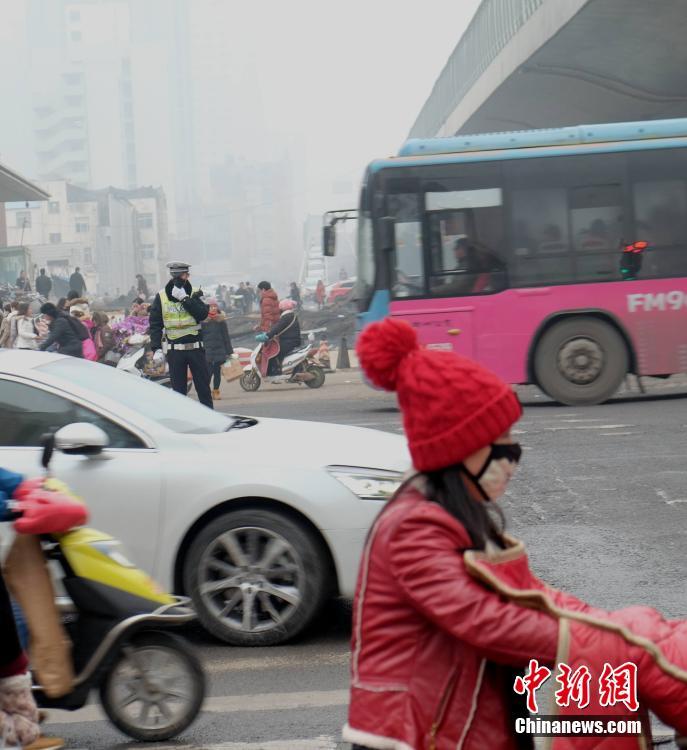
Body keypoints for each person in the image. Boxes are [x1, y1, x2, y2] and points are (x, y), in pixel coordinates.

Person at [344, 316, 687, 750]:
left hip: (478, 716)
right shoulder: (413, 528)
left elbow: (524, 592)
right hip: (415, 734)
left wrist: (620, 628)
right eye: (501, 436)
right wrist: (613, 642)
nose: (514, 451)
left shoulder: (451, 511)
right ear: (461, 447)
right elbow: (484, 621)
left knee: (610, 707)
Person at [149, 261, 213, 408]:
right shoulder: (161, 296)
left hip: (195, 349)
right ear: (180, 276)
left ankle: (211, 418)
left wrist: (185, 299)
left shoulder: (195, 292)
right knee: (178, 394)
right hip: (175, 351)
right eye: (184, 275)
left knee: (203, 390)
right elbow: (155, 324)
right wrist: (156, 348)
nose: (185, 277)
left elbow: (202, 314)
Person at [256, 298, 300, 375]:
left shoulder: (286, 317)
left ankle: (276, 371)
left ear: (282, 309)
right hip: (292, 341)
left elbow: (277, 328)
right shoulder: (291, 315)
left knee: (273, 353)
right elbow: (276, 327)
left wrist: (268, 336)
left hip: (289, 342)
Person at [201, 298, 234, 401]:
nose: (213, 308)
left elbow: (226, 337)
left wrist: (229, 352)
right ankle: (206, 392)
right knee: (208, 372)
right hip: (207, 350)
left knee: (217, 372)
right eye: (211, 306)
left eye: (215, 306)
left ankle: (216, 391)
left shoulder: (221, 321)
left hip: (220, 350)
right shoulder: (202, 321)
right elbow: (199, 337)